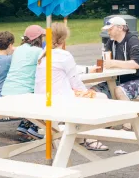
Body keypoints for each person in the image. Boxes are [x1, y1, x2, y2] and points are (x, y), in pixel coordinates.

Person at [35, 23, 109, 151]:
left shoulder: (43, 53)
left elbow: (66, 70)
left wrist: (86, 71)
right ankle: (91, 138)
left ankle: (81, 133)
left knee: (89, 97)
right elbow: (75, 81)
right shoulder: (64, 55)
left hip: (43, 98)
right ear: (63, 39)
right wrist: (87, 92)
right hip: (59, 100)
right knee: (101, 98)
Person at [1, 24, 45, 140]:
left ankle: (24, 126)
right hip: (23, 92)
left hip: (7, 90)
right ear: (38, 38)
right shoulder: (38, 51)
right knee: (45, 96)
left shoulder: (18, 50)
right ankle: (35, 129)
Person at [98, 17, 139, 100]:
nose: (108, 32)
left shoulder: (133, 41)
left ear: (120, 28)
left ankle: (129, 112)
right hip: (116, 80)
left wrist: (113, 63)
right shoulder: (111, 42)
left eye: (110, 29)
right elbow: (105, 61)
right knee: (94, 92)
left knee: (119, 90)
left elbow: (135, 64)